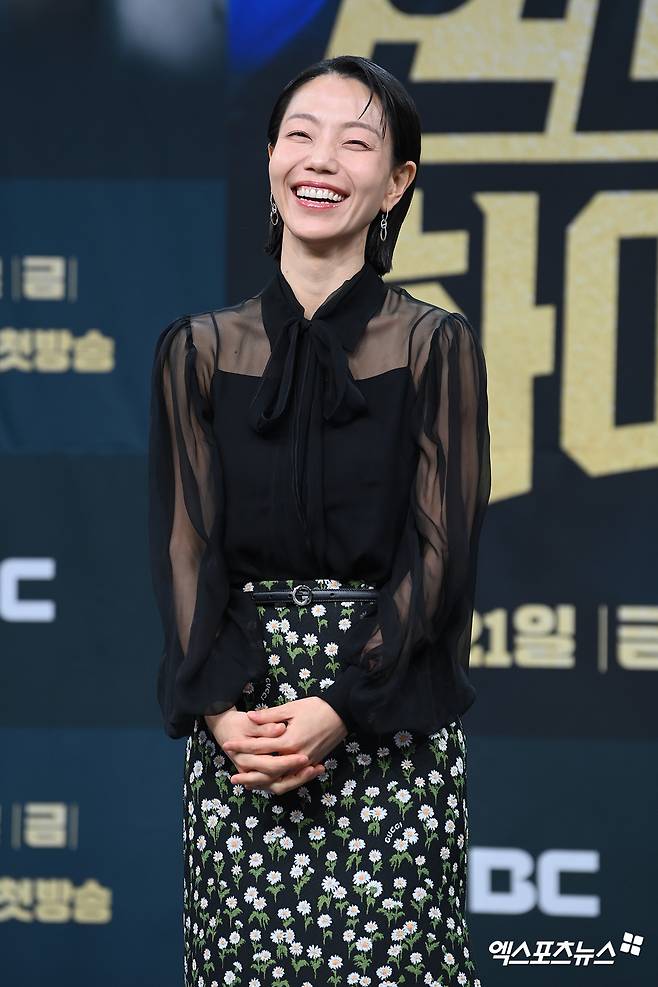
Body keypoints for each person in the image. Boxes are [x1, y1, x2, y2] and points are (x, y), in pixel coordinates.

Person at [148, 54, 490, 987]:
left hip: (388, 718)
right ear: (270, 158)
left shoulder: (434, 344)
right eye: (299, 134)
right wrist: (223, 712)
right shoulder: (197, 349)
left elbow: (444, 549)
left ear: (397, 182)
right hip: (245, 734)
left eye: (356, 142)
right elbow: (184, 547)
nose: (321, 159)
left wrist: (343, 707)